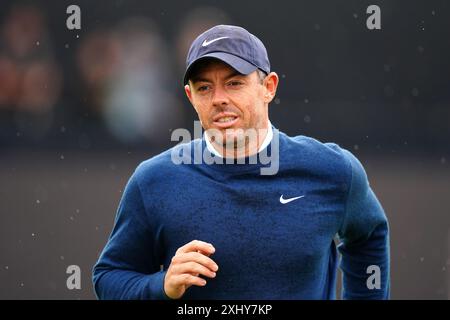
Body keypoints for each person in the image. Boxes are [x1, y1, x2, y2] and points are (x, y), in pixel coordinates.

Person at [92, 24, 390, 299]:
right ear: (190, 96)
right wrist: (161, 286)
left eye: (234, 83)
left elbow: (369, 236)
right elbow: (109, 278)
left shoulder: (332, 171)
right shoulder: (154, 181)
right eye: (204, 87)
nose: (219, 98)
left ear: (268, 87)